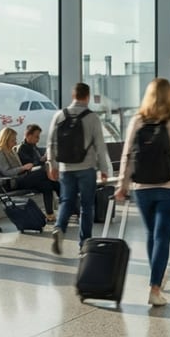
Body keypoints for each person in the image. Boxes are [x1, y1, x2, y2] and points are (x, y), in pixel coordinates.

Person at [114, 78, 170, 307]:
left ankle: (156, 278)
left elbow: (127, 155)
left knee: (152, 234)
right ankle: (155, 287)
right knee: (162, 236)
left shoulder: (137, 120)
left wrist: (122, 185)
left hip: (142, 187)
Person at [46, 82, 111, 255]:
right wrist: (104, 169)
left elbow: (51, 142)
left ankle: (60, 227)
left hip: (66, 168)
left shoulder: (59, 115)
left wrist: (52, 164)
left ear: (73, 95)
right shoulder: (92, 117)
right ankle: (84, 244)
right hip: (86, 168)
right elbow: (100, 145)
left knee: (66, 201)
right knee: (87, 206)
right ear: (87, 97)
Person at [0, 127, 60, 221]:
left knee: (47, 185)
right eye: (13, 140)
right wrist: (23, 168)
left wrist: (27, 169)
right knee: (44, 171)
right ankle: (68, 204)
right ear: (6, 139)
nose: (15, 142)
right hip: (12, 182)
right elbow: (6, 172)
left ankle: (50, 214)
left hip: (21, 178)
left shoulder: (11, 151)